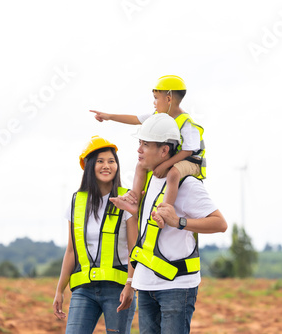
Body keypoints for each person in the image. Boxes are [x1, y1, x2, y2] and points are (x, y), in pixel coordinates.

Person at [110, 114, 227, 334]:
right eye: (139, 143)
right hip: (145, 285)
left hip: (177, 287)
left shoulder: (187, 183)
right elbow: (144, 237)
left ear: (164, 151)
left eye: (146, 144)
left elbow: (220, 224)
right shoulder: (150, 179)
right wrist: (130, 281)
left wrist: (179, 221)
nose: (139, 150)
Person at [52, 135, 137, 334]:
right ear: (90, 166)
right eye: (100, 161)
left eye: (111, 161)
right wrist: (59, 290)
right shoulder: (77, 202)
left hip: (118, 289)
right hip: (84, 289)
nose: (106, 166)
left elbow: (134, 249)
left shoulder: (127, 200)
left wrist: (130, 286)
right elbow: (72, 251)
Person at [90, 75, 206, 214]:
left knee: (173, 174)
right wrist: (109, 117)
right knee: (140, 165)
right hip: (172, 159)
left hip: (192, 161)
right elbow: (135, 119)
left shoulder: (187, 123)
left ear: (168, 99)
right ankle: (134, 201)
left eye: (156, 98)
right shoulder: (158, 116)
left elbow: (188, 151)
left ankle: (164, 212)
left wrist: (165, 165)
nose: (154, 103)